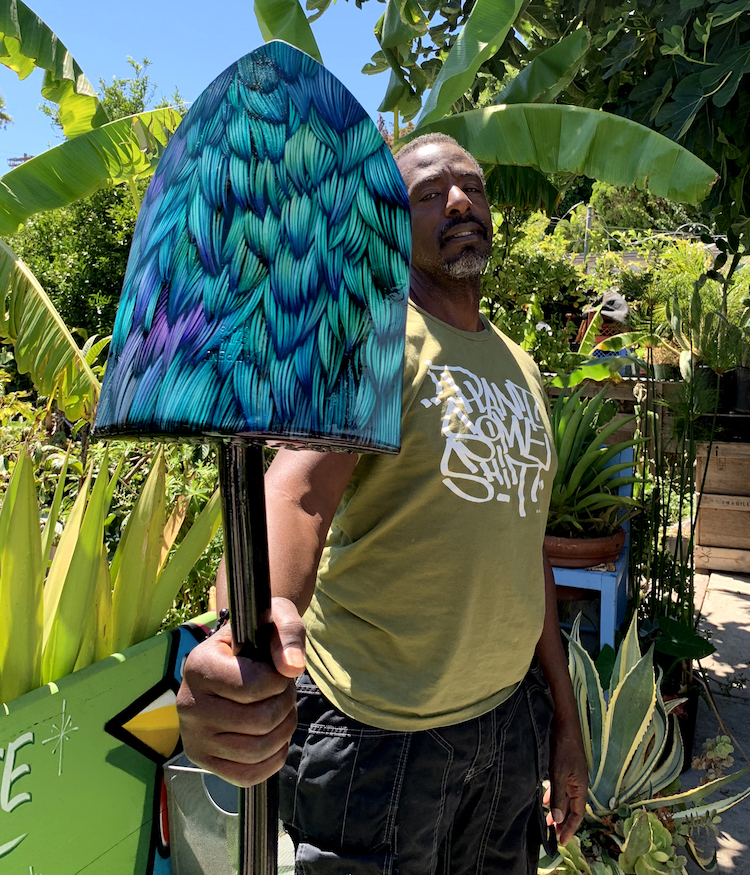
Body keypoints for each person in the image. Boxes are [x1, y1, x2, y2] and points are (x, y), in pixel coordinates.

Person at [177, 134, 588, 875]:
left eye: (471, 187)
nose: (458, 201)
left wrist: (564, 715)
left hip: (506, 727)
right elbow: (297, 492)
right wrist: (249, 631)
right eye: (429, 194)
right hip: (379, 740)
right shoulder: (374, 338)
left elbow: (523, 546)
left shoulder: (519, 364)